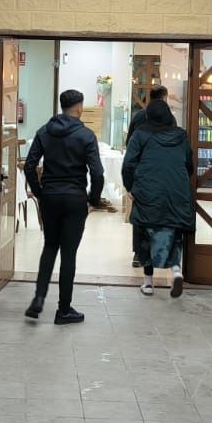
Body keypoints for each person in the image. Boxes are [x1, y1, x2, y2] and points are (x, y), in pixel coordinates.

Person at [22, 88, 104, 325]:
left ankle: (38, 299)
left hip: (50, 197)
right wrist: (93, 199)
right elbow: (97, 174)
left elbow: (29, 166)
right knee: (69, 254)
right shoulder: (86, 135)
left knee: (50, 247)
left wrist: (40, 193)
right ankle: (64, 310)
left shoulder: (44, 132)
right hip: (75, 198)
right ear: (79, 108)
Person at [122, 96, 195, 299]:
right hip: (177, 190)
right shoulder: (181, 136)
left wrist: (130, 186)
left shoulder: (140, 135)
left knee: (145, 232)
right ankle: (176, 271)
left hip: (148, 189)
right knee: (174, 230)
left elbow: (128, 164)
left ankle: (148, 283)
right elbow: (189, 164)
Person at [126, 85, 169, 268]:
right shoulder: (168, 119)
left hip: (140, 172)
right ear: (164, 98)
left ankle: (138, 254)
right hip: (159, 171)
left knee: (140, 213)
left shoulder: (138, 116)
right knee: (160, 211)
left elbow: (129, 142)